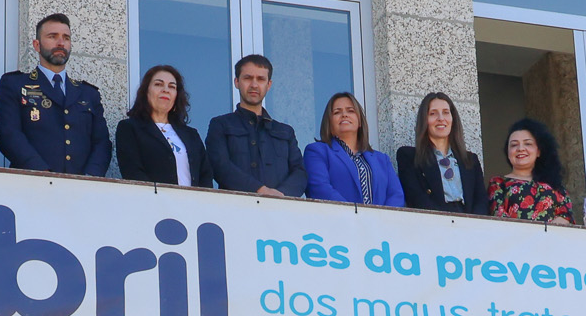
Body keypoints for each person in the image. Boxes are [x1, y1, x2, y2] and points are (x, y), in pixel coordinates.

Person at [0, 13, 112, 176]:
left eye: (66, 38)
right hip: (31, 182)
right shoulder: (15, 84)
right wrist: (41, 172)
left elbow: (102, 143)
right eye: (52, 36)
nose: (60, 43)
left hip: (81, 186)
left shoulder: (88, 94)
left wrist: (90, 177)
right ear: (37, 45)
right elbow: (8, 134)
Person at [204, 54, 307, 197]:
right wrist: (260, 190)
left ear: (268, 85)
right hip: (234, 207)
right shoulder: (220, 125)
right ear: (236, 82)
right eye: (247, 78)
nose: (254, 85)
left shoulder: (285, 132)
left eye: (260, 79)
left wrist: (281, 195)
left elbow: (300, 173)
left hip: (281, 208)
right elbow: (220, 166)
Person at [303, 92, 405, 206]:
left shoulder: (382, 159)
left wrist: (381, 216)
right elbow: (320, 188)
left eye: (350, 111)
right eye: (337, 112)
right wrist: (353, 213)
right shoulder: (317, 152)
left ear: (360, 121)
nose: (344, 115)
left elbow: (396, 195)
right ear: (329, 123)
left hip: (380, 218)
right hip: (335, 216)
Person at [394, 92, 488, 214]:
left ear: (453, 118)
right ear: (424, 120)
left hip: (468, 221)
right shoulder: (409, 156)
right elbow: (416, 197)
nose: (441, 118)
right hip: (433, 221)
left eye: (446, 112)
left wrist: (472, 223)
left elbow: (481, 200)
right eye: (433, 113)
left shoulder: (471, 160)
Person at [116, 64, 208, 187]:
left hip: (192, 199)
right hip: (151, 198)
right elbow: (132, 171)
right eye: (158, 84)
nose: (166, 90)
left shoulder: (191, 134)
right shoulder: (129, 128)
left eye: (172, 86)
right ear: (146, 91)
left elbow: (205, 174)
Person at [488, 118, 574, 225]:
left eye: (528, 144)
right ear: (508, 152)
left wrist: (546, 232)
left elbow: (566, 217)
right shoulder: (498, 183)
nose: (520, 148)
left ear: (539, 151)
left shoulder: (554, 184)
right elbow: (498, 217)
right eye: (514, 145)